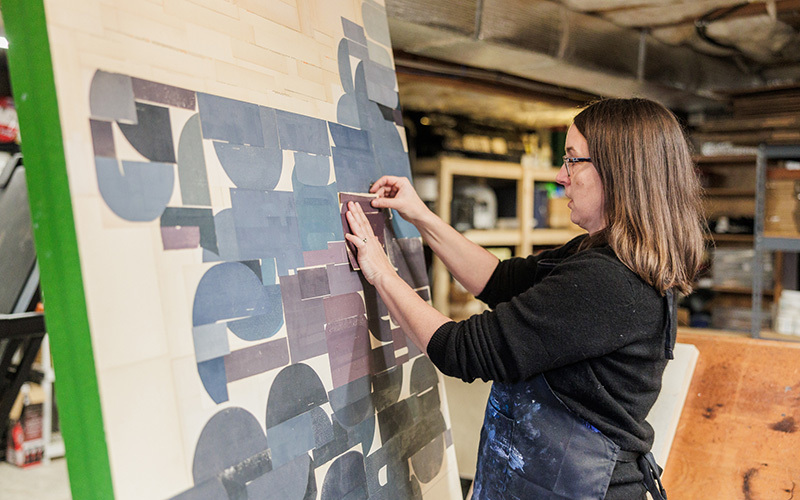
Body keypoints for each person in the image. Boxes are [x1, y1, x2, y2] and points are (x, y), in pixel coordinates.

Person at [345, 97, 704, 500]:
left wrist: (381, 272)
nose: (561, 176)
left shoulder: (611, 281)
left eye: (573, 160)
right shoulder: (599, 257)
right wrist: (422, 217)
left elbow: (462, 350)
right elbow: (500, 280)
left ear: (620, 171)